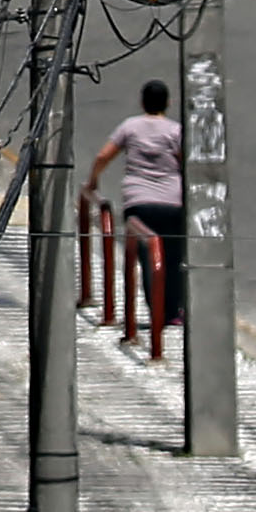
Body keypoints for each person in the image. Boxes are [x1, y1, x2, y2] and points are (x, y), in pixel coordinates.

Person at [81, 76, 188, 356]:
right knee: (173, 259)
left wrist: (92, 182)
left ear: (142, 102)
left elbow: (103, 156)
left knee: (148, 259)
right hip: (172, 202)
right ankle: (172, 313)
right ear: (168, 102)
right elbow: (184, 162)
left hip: (138, 203)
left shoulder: (130, 127)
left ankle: (156, 311)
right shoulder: (175, 130)